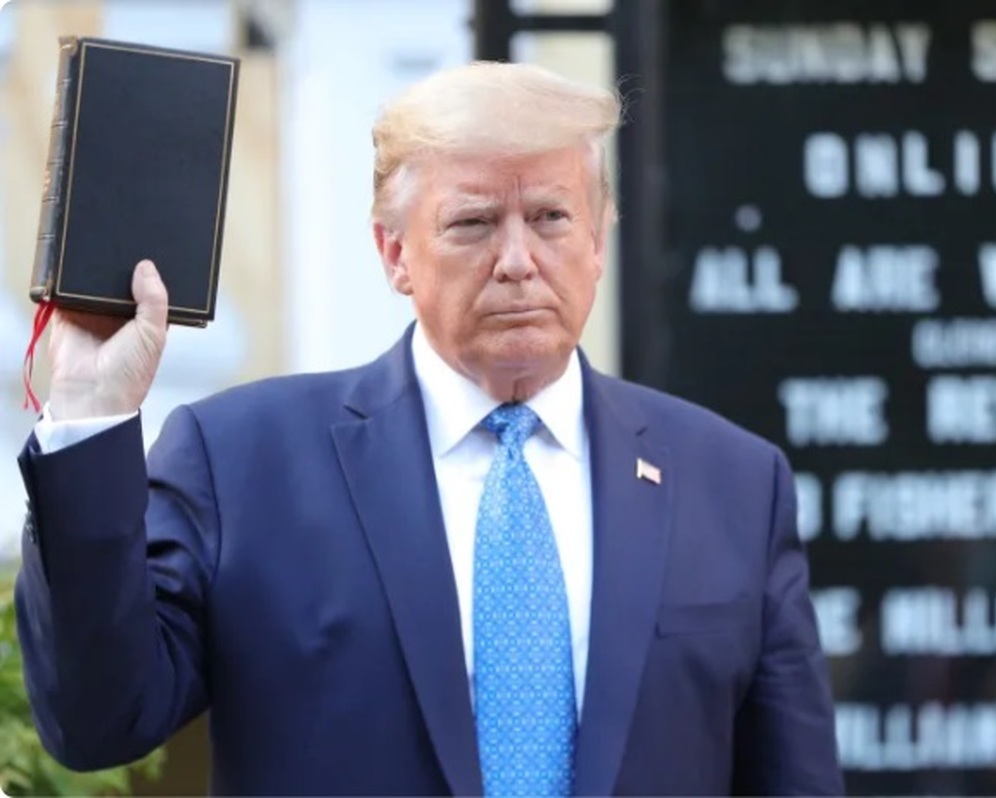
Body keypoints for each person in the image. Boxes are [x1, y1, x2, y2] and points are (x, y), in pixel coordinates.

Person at [13, 61, 843, 796]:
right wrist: (90, 411)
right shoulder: (242, 462)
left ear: (599, 238)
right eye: (473, 222)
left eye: (550, 217)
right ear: (394, 254)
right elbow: (97, 722)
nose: (517, 260)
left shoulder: (733, 483)